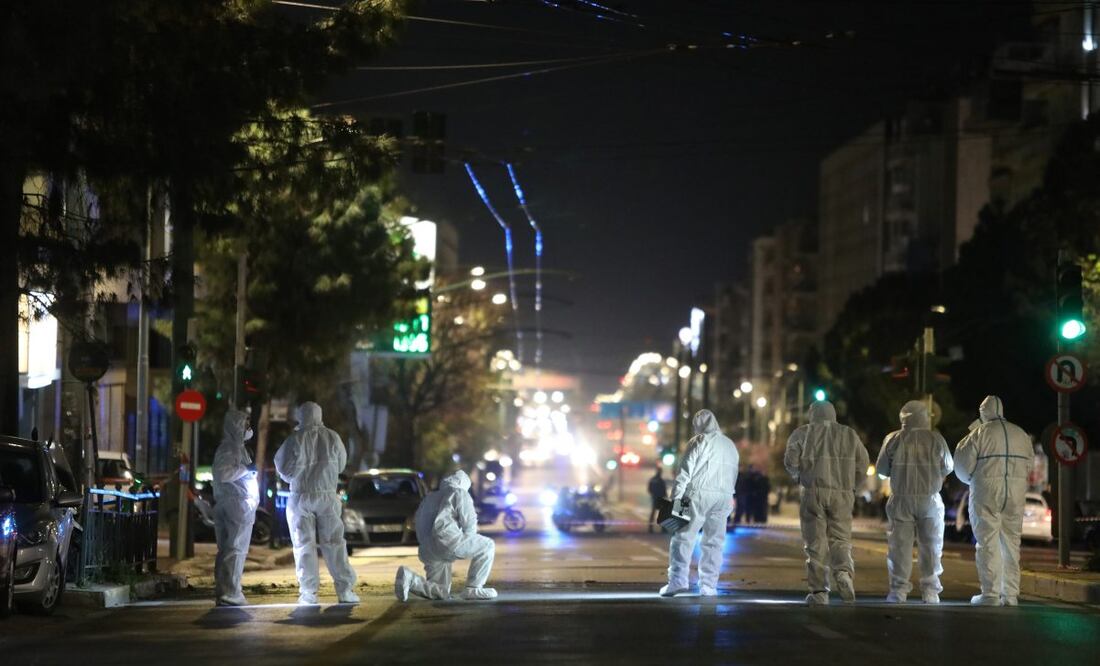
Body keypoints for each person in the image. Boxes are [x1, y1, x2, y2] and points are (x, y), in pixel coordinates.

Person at [784, 400, 869, 605]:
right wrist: (852, 485)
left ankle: (819, 592)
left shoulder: (802, 433)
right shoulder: (849, 434)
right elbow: (863, 463)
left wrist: (799, 477)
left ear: (812, 414)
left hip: (813, 491)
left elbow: (790, 461)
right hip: (842, 493)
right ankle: (843, 573)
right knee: (840, 538)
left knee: (815, 542)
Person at [274, 402, 359, 605]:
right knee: (335, 543)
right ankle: (345, 590)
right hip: (327, 495)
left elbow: (284, 470)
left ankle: (308, 593)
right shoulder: (333, 437)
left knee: (303, 546)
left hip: (300, 497)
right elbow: (341, 465)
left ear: (301, 416)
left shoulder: (294, 439)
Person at [954, 395, 1033, 606]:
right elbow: (1029, 465)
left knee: (987, 541)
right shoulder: (1021, 434)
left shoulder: (978, 434)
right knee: (1011, 543)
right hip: (1015, 495)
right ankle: (1010, 595)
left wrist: (973, 479)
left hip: (986, 491)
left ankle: (990, 594)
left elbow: (961, 466)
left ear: (983, 412)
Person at [876, 400, 954, 604]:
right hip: (930, 499)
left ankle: (898, 591)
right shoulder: (936, 439)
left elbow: (882, 470)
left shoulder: (893, 439)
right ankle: (930, 591)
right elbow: (948, 466)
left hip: (901, 498)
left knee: (899, 546)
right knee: (931, 545)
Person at [660, 409, 739, 597]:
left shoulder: (698, 441)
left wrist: (675, 499)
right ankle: (708, 585)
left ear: (698, 425)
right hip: (723, 497)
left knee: (683, 537)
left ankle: (678, 580)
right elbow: (734, 473)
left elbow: (684, 473)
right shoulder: (730, 445)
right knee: (714, 541)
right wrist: (730, 496)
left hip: (695, 495)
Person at [395, 470, 497, 601]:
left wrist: (428, 544)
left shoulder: (430, 497)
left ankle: (410, 578)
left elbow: (419, 523)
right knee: (488, 546)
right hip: (449, 542)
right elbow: (470, 525)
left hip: (428, 549)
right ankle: (473, 588)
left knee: (441, 591)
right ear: (464, 483)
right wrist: (466, 542)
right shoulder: (459, 492)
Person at [212, 409, 259, 607]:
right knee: (235, 550)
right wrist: (246, 470)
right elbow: (223, 473)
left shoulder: (235, 448)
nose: (249, 428)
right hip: (236, 505)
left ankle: (226, 591)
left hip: (234, 503)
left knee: (228, 550)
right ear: (237, 426)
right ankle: (230, 593)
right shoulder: (231, 448)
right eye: (246, 425)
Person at [647, 466, 668, 533]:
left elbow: (649, 489)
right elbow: (664, 490)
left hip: (656, 498)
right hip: (659, 498)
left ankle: (651, 528)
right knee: (662, 514)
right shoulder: (660, 480)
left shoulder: (653, 479)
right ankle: (662, 528)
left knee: (655, 513)